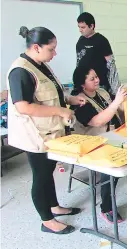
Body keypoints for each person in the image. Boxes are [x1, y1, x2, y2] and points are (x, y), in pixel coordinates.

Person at [7, 26, 86, 234]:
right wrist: (61, 111)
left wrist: (69, 99)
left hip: (51, 133)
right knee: (41, 176)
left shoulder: (41, 65)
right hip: (34, 135)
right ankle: (47, 221)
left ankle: (54, 207)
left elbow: (50, 93)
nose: (55, 53)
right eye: (51, 49)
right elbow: (23, 106)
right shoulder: (21, 71)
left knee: (48, 171)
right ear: (36, 47)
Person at [72, 66, 127, 223]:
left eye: (96, 76)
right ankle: (106, 208)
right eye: (92, 79)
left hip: (116, 135)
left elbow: (118, 109)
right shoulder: (80, 101)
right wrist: (117, 102)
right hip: (96, 142)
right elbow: (97, 121)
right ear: (82, 84)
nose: (97, 80)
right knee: (113, 167)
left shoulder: (103, 93)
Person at [76, 12, 120, 95]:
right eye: (79, 27)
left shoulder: (101, 40)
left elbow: (111, 65)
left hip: (100, 84)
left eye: (83, 27)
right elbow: (78, 61)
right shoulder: (80, 41)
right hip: (85, 85)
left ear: (91, 26)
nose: (80, 30)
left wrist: (115, 89)